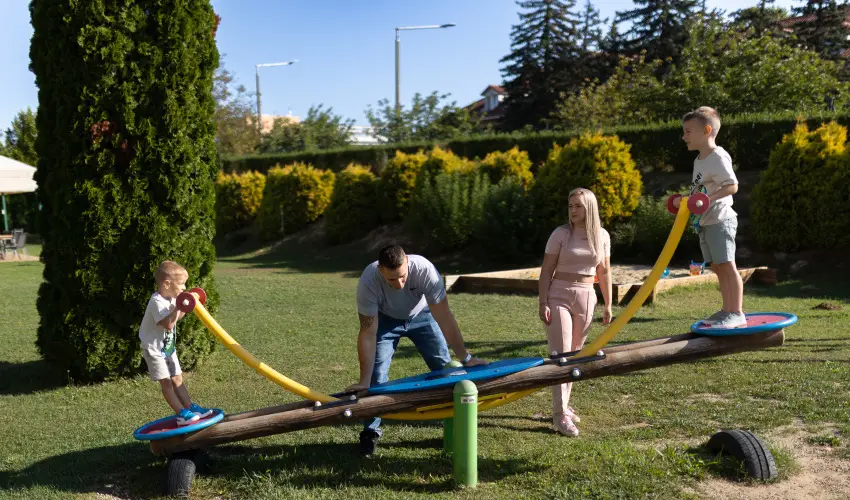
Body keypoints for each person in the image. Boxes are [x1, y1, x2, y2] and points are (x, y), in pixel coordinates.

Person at [346, 244, 487, 456]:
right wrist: (364, 381)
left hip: (422, 316)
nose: (399, 284)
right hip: (386, 321)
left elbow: (445, 317)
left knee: (446, 370)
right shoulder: (368, 281)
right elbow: (367, 333)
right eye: (392, 279)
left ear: (408, 264)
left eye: (403, 276)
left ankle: (457, 425)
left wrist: (465, 357)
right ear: (380, 270)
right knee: (377, 377)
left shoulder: (425, 270)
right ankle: (370, 432)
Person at [538, 188, 612, 437]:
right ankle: (559, 416)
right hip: (559, 293)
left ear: (590, 208)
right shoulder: (560, 234)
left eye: (578, 206)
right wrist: (543, 302)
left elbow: (604, 272)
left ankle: (563, 406)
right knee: (562, 354)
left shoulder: (601, 236)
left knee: (576, 356)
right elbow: (547, 270)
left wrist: (608, 304)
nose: (573, 210)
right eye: (570, 206)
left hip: (586, 296)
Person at [677, 106, 745, 329]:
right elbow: (701, 192)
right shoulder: (700, 159)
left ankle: (736, 312)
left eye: (688, 132)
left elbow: (732, 186)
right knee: (717, 266)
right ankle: (727, 310)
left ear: (706, 130)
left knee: (727, 265)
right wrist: (686, 200)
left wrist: (707, 200)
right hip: (706, 221)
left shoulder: (717, 156)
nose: (683, 136)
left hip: (720, 219)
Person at [139, 260, 213, 426]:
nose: (184, 288)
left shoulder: (172, 299)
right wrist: (180, 305)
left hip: (167, 348)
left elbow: (177, 317)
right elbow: (168, 323)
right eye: (181, 284)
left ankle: (190, 407)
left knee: (178, 378)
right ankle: (181, 414)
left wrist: (185, 305)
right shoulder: (157, 301)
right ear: (167, 283)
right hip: (154, 350)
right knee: (166, 382)